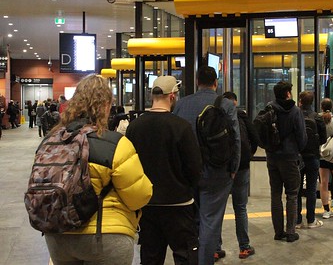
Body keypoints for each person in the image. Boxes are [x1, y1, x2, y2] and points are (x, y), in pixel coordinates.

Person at [43, 74, 153, 265]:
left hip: (58, 234)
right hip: (106, 235)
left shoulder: (51, 142)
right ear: (106, 106)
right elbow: (139, 197)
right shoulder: (115, 144)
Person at [126, 75, 202, 265]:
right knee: (185, 255)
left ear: (152, 96)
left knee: (151, 257)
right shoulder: (181, 127)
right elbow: (194, 168)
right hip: (179, 204)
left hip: (147, 206)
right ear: (173, 96)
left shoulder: (134, 127)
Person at [173, 66, 241, 265]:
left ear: (196, 81)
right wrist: (233, 169)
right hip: (218, 172)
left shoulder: (181, 105)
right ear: (216, 83)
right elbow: (235, 139)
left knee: (191, 222)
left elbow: (175, 140)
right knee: (210, 222)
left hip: (187, 174)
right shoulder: (225, 104)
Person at [263, 81, 307, 243]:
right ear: (288, 93)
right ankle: (290, 232)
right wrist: (297, 150)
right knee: (292, 194)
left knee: (275, 194)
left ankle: (278, 232)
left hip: (272, 156)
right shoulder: (295, 111)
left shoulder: (269, 108)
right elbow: (302, 137)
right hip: (289, 157)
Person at [217, 91, 259, 259]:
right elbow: (255, 138)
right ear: (235, 101)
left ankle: (215, 248)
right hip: (241, 167)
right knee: (240, 208)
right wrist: (247, 156)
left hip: (221, 168)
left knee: (217, 209)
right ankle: (244, 247)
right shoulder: (241, 116)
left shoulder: (217, 116)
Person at [296, 91, 326, 229]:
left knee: (296, 189)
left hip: (298, 156)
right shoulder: (317, 118)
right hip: (313, 157)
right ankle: (311, 220)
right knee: (311, 189)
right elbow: (324, 138)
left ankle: (297, 220)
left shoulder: (295, 115)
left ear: (300, 101)